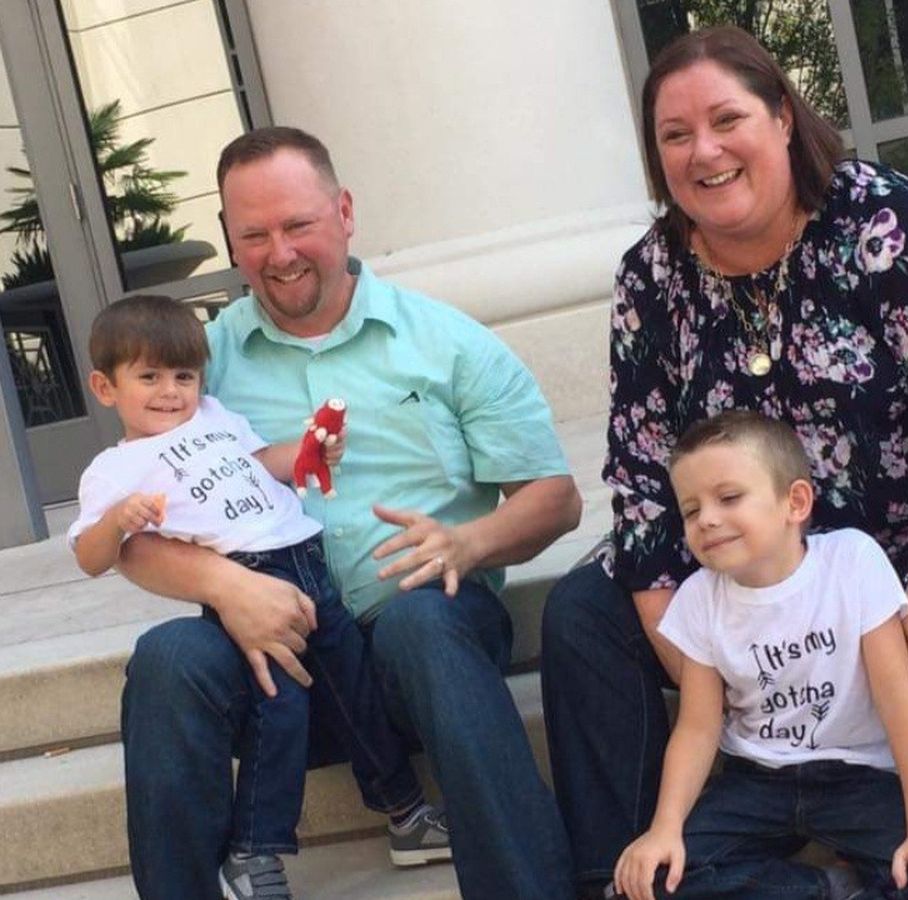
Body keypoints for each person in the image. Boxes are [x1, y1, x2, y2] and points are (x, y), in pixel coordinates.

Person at [540, 25, 908, 900]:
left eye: (726, 120)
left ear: (781, 116)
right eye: (675, 135)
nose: (704, 151)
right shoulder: (652, 277)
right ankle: (633, 875)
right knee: (581, 610)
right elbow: (644, 477)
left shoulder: (881, 216)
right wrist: (701, 659)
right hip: (750, 571)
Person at [117, 127, 581, 900]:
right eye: (254, 235)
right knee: (168, 658)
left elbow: (555, 498)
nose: (280, 254)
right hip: (280, 666)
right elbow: (130, 531)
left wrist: (468, 543)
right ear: (230, 237)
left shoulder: (445, 342)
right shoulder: (198, 366)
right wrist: (227, 588)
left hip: (422, 653)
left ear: (344, 212)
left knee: (420, 623)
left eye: (297, 225)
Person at [69, 294, 445, 898]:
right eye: (149, 377)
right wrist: (118, 520)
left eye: (183, 376)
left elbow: (263, 462)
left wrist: (307, 453)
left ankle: (405, 813)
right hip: (249, 580)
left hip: (308, 565)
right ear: (105, 387)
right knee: (281, 712)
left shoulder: (214, 416)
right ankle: (254, 850)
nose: (170, 392)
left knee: (357, 693)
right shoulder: (114, 470)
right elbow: (90, 555)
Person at [610, 411, 908, 900]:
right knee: (656, 883)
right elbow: (698, 728)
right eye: (691, 510)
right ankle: (823, 888)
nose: (708, 520)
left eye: (729, 498)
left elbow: (898, 700)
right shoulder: (700, 597)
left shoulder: (852, 561)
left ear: (796, 502)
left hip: (858, 776)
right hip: (755, 782)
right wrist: (664, 828)